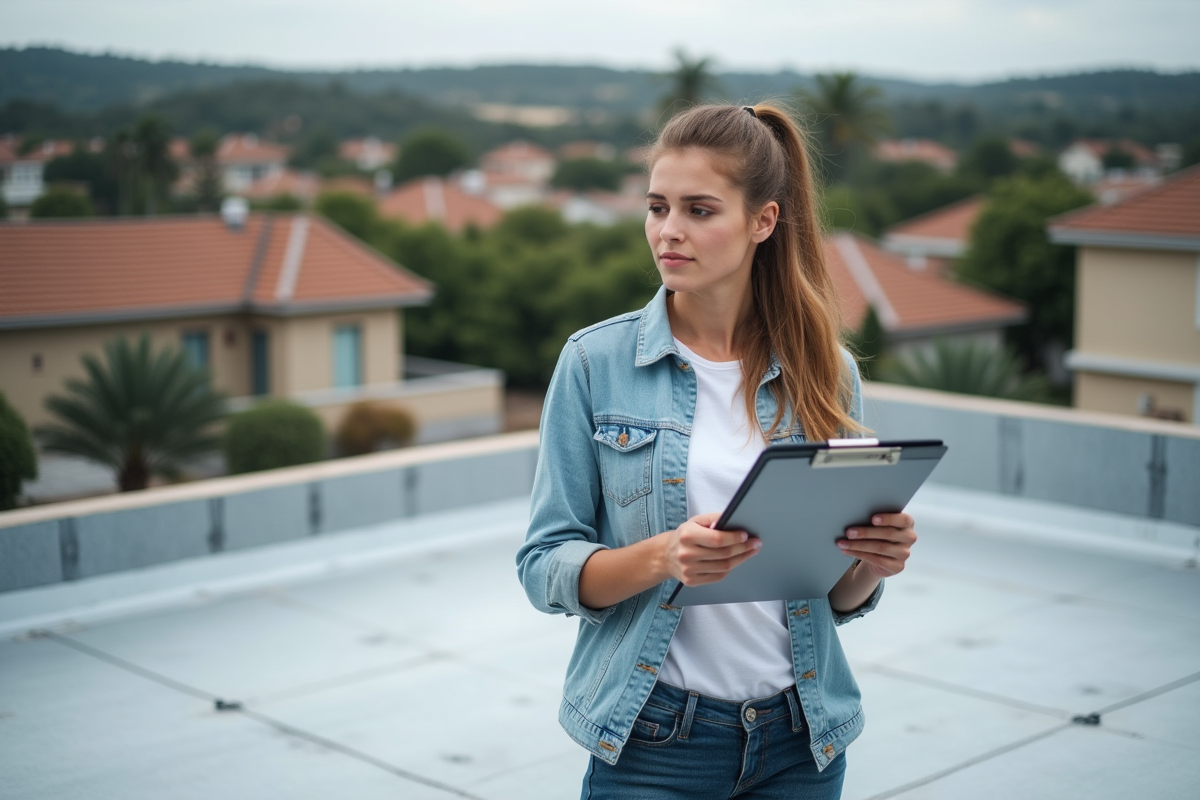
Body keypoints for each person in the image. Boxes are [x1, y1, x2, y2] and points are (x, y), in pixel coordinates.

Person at [516, 103, 918, 800]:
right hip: (654, 741)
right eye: (657, 207)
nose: (669, 231)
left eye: (699, 210)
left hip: (802, 740)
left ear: (763, 221)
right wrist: (663, 557)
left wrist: (870, 562)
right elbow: (543, 564)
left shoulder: (828, 372)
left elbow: (835, 596)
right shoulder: (593, 363)